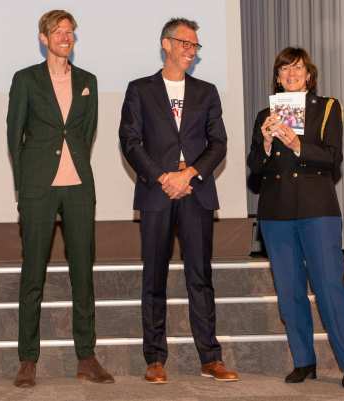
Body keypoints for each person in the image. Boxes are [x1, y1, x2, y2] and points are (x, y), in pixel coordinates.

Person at [119, 17, 239, 384]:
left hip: (195, 192)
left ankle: (210, 357)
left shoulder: (207, 91)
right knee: (153, 276)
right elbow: (130, 140)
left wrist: (188, 175)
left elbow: (218, 142)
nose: (191, 50)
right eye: (184, 43)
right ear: (165, 44)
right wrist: (162, 177)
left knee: (200, 277)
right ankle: (154, 358)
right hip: (157, 193)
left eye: (195, 46)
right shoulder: (140, 89)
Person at [6, 9, 114, 388]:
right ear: (43, 37)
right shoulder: (25, 80)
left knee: (82, 273)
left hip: (79, 188)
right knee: (32, 273)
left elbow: (86, 131)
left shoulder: (88, 81)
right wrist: (25, 188)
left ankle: (86, 356)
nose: (65, 37)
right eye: (58, 31)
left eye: (70, 32)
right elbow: (14, 136)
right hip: (39, 189)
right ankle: (27, 359)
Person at [246, 47, 344, 388]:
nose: (291, 74)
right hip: (276, 213)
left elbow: (332, 157)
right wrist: (266, 144)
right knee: (289, 291)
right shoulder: (264, 115)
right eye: (284, 70)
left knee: (329, 287)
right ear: (277, 77)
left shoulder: (327, 107)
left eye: (297, 69)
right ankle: (303, 360)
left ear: (309, 76)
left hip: (317, 210)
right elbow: (254, 170)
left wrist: (297, 143)